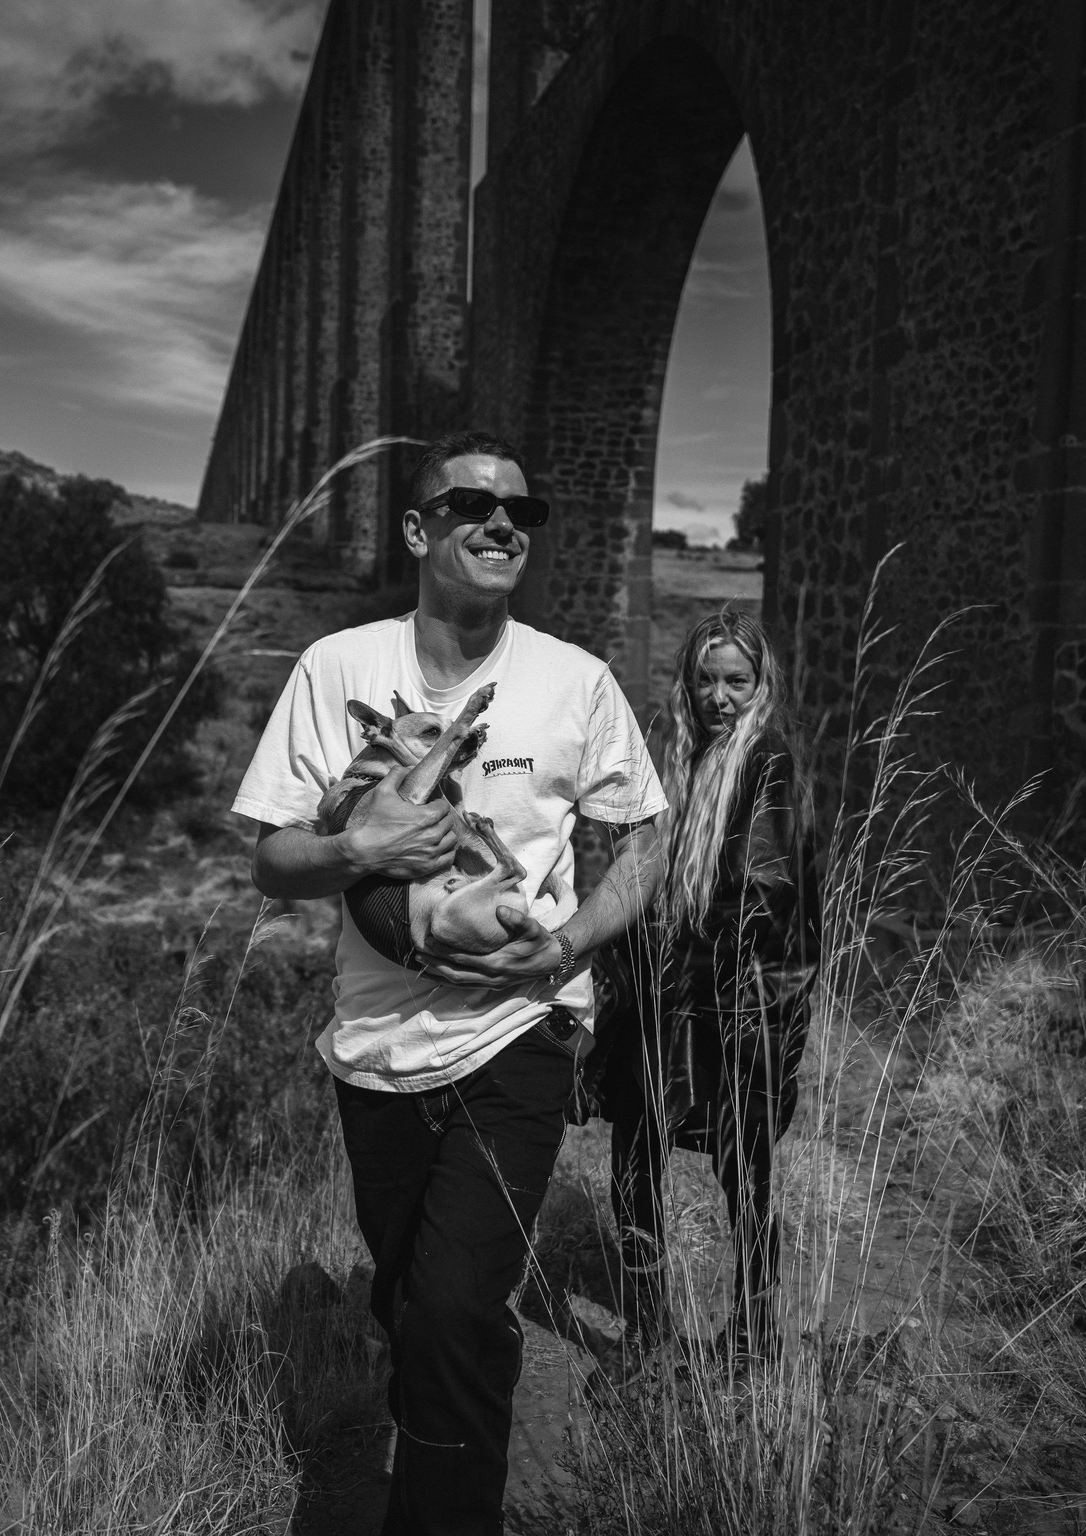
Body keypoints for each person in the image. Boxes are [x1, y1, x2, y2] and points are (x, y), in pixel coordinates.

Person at [232, 431, 665, 1535]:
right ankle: (449, 1402)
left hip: (521, 1031)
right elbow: (273, 861)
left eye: (522, 510)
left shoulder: (577, 681)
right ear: (418, 529)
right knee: (408, 1303)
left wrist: (567, 947)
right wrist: (358, 848)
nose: (501, 522)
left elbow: (647, 839)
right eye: (471, 503)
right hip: (376, 1047)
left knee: (454, 1308)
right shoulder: (336, 668)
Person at [591, 608, 819, 1365]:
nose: (719, 697)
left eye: (736, 681)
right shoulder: (681, 760)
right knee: (634, 1150)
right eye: (706, 679)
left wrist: (689, 965)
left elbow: (764, 892)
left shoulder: (769, 762)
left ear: (761, 685)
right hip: (673, 996)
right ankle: (647, 1326)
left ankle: (754, 1331)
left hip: (741, 1000)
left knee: (742, 1169)